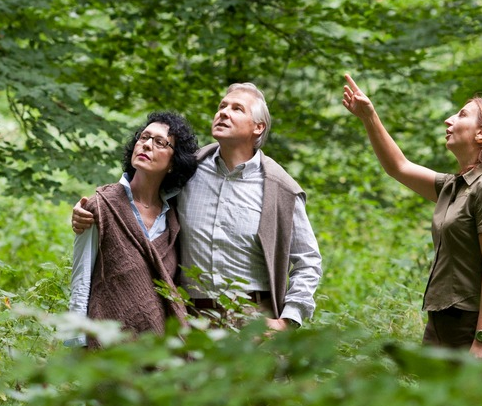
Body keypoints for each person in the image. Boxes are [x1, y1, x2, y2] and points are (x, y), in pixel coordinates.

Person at [73, 83, 322, 331]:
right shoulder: (189, 171)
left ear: (258, 128)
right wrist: (90, 210)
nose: (223, 112)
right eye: (222, 106)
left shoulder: (281, 190)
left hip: (254, 319)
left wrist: (288, 321)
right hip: (191, 319)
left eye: (237, 109)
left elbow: (308, 260)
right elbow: (139, 195)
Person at [341, 74, 482, 359]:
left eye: (462, 115)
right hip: (442, 323)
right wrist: (369, 117)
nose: (448, 120)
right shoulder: (455, 186)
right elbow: (398, 167)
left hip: (473, 325)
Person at [68, 111, 200, 347]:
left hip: (161, 348)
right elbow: (81, 280)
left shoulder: (174, 218)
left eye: (159, 142)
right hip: (107, 343)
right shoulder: (100, 205)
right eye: (144, 137)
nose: (147, 145)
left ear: (173, 163)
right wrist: (76, 342)